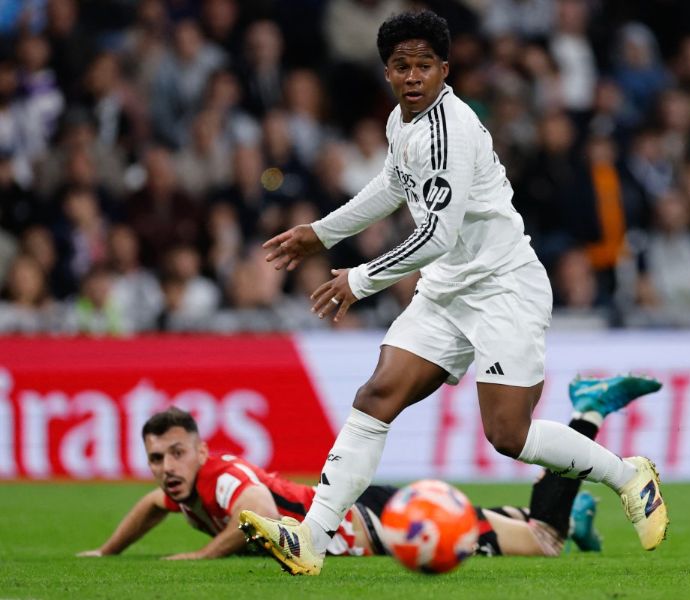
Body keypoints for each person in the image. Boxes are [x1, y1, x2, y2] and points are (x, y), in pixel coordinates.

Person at [248, 10, 668, 576]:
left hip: (503, 286)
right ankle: (312, 539)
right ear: (388, 72)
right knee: (377, 395)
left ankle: (628, 474)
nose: (413, 75)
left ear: (444, 70)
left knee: (507, 434)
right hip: (448, 287)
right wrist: (321, 233)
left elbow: (436, 234)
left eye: (424, 65)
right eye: (402, 66)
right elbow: (393, 185)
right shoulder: (403, 124)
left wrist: (359, 277)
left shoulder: (452, 128)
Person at [76, 374, 661, 560]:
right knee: (520, 525)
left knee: (543, 541)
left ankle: (586, 409)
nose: (166, 468)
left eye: (177, 452)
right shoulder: (183, 486)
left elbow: (252, 507)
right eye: (156, 458)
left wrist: (202, 559)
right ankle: (578, 512)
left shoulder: (219, 477)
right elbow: (154, 505)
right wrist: (106, 552)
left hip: (379, 524)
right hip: (367, 510)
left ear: (200, 450)